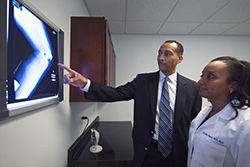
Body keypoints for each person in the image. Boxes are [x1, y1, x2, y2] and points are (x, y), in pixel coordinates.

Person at [58, 40, 202, 167]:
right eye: (159, 53)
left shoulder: (193, 88)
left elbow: (194, 124)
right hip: (148, 152)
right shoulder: (143, 81)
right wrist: (85, 84)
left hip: (177, 154)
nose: (160, 58)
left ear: (179, 59)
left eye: (167, 54)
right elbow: (116, 93)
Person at [187, 56, 250, 167]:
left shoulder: (244, 124)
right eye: (202, 76)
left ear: (233, 85)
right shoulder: (204, 112)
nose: (200, 81)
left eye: (210, 77)